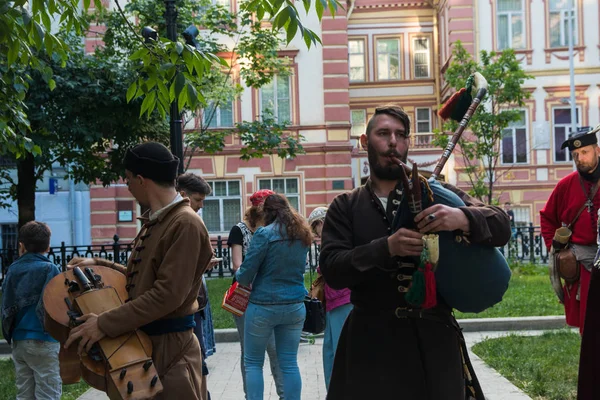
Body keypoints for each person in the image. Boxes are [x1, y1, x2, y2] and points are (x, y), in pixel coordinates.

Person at [319, 105, 511, 399]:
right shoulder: (345, 206)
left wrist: (462, 218)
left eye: (400, 135)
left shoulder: (435, 193)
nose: (393, 141)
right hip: (370, 344)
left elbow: (500, 225)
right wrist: (385, 248)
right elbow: (332, 268)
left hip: (434, 341)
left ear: (408, 143)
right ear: (364, 142)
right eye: (383, 133)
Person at [64, 142, 213, 400]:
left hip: (171, 352)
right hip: (147, 345)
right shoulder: (160, 218)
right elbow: (145, 278)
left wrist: (104, 323)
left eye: (129, 179)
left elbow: (167, 295)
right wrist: (101, 264)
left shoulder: (185, 223)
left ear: (142, 180)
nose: (128, 185)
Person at [235, 194, 311, 400]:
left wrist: (239, 273)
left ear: (267, 213)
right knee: (289, 363)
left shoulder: (264, 234)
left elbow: (246, 274)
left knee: (253, 363)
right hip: (295, 306)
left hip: (263, 307)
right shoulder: (302, 234)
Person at [540, 126, 600, 335]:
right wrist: (557, 250)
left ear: (597, 150)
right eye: (575, 155)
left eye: (585, 152)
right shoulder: (565, 185)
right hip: (581, 261)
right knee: (588, 324)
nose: (580, 158)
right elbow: (547, 218)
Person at [227, 189, 285, 399]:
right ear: (256, 208)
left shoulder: (274, 229)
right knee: (250, 353)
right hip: (244, 297)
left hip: (268, 296)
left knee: (274, 349)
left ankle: (283, 393)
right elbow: (237, 265)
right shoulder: (239, 230)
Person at [1, 221, 62, 400]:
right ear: (48, 246)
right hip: (44, 340)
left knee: (25, 393)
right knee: (48, 391)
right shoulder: (50, 269)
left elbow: (6, 305)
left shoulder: (13, 269)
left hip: (19, 341)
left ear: (22, 245)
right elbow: (56, 305)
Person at [176, 172, 218, 399]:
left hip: (195, 300)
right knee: (194, 359)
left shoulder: (188, 219)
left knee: (197, 357)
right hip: (185, 305)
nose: (201, 206)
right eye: (198, 200)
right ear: (183, 195)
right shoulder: (185, 221)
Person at [307, 207, 352, 391]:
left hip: (342, 299)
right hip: (336, 300)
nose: (315, 233)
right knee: (330, 350)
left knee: (337, 351)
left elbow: (334, 266)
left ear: (321, 223)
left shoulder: (334, 239)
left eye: (314, 227)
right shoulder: (336, 238)